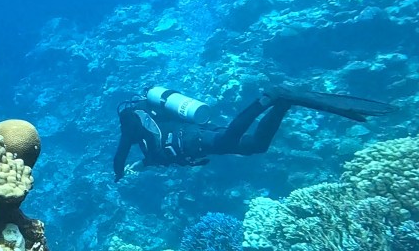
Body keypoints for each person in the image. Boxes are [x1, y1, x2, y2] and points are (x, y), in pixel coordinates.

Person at [112, 85, 396, 182]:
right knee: (255, 146)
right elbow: (152, 155)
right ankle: (283, 103)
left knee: (228, 141)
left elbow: (122, 150)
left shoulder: (132, 123)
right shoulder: (148, 134)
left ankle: (270, 97)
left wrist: (118, 173)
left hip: (194, 140)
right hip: (196, 139)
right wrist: (139, 166)